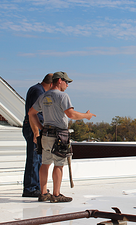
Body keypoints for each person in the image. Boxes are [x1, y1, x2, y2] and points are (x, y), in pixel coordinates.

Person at [28, 72, 96, 202]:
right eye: (67, 82)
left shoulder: (43, 96)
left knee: (45, 163)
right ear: (59, 81)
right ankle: (56, 195)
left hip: (46, 135)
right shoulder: (63, 96)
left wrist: (41, 128)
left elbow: (31, 113)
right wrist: (86, 116)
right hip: (59, 136)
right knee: (58, 165)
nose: (67, 85)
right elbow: (70, 114)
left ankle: (43, 193)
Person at [22, 74, 53, 197]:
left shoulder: (37, 89)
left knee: (39, 158)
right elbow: (32, 114)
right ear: (51, 84)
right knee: (34, 158)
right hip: (33, 127)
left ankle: (38, 186)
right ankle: (30, 188)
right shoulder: (38, 91)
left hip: (36, 127)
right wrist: (36, 133)